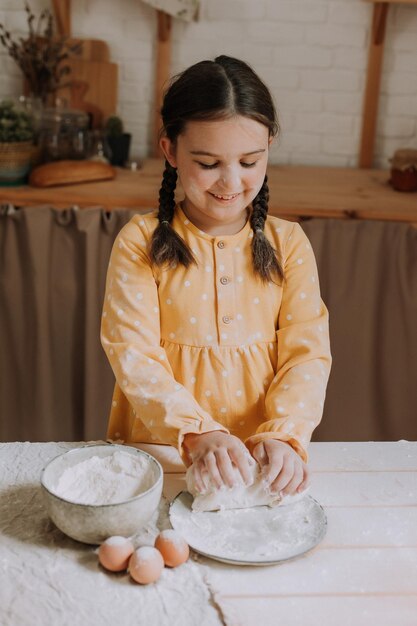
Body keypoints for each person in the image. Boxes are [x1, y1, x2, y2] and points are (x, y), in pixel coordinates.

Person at [101, 55, 331, 499]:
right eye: (208, 163)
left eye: (249, 161)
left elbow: (308, 354)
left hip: (260, 463)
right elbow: (133, 354)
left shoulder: (290, 244)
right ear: (170, 149)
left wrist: (283, 435)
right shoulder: (139, 241)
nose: (230, 182)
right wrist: (195, 434)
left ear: (269, 145)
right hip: (164, 452)